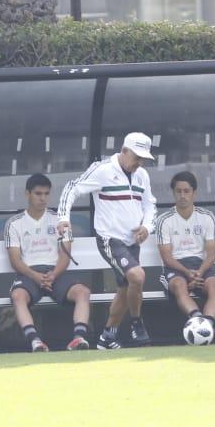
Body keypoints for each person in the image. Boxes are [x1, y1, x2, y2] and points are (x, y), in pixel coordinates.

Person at [56, 131, 158, 349]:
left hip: (133, 241)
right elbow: (72, 188)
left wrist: (147, 227)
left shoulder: (142, 176)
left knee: (125, 287)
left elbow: (150, 206)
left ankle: (107, 337)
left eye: (143, 158)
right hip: (109, 239)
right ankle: (137, 325)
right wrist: (64, 217)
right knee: (137, 277)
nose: (139, 163)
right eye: (136, 157)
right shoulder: (103, 170)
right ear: (124, 151)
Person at [4, 173, 92, 352]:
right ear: (27, 194)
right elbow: (15, 260)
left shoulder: (60, 220)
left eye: (46, 194)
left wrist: (54, 274)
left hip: (55, 272)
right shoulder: (14, 223)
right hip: (29, 273)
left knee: (83, 292)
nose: (42, 198)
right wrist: (35, 276)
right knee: (17, 296)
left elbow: (65, 256)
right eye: (38, 194)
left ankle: (78, 338)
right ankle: (35, 341)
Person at [155, 171, 215, 336]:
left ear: (194, 193)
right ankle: (199, 321)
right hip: (176, 267)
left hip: (201, 267)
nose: (182, 195)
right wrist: (187, 273)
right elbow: (167, 257)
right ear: (173, 192)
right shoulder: (164, 220)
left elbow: (212, 254)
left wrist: (198, 273)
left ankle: (206, 325)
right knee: (179, 285)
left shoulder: (207, 217)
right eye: (178, 191)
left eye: (186, 191)